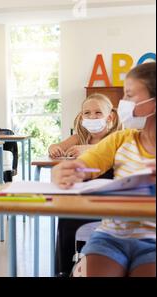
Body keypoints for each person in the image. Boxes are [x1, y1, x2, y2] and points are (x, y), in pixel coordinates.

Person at [52, 62, 156, 277]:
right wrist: (69, 170)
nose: (122, 103)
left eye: (129, 95)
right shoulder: (121, 139)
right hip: (110, 238)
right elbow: (88, 162)